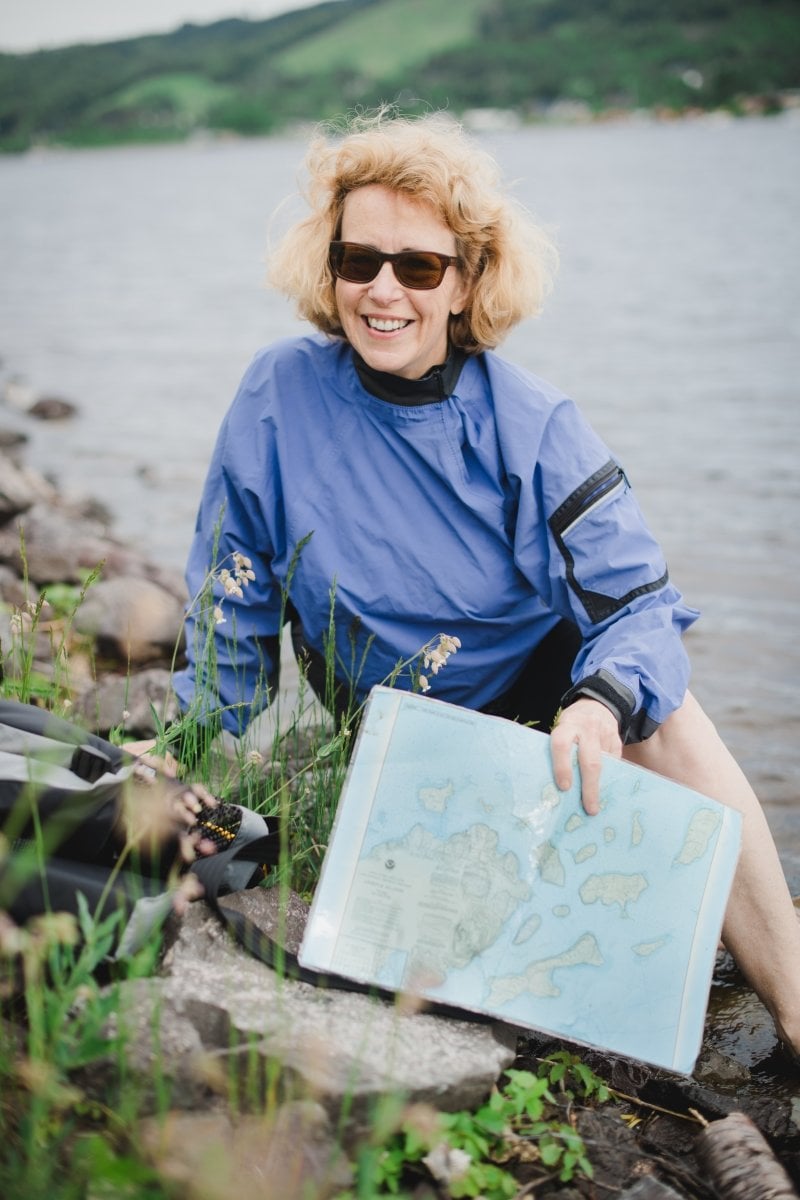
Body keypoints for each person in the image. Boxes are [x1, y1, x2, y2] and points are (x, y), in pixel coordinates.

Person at [172, 111, 799, 1058]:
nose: (383, 290)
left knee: (668, 716)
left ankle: (793, 1004)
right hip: (409, 751)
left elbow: (640, 609)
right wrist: (181, 759)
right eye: (358, 261)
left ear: (467, 281)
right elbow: (233, 611)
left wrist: (596, 707)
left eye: (418, 267)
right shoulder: (276, 394)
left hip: (561, 734)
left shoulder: (534, 423)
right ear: (329, 266)